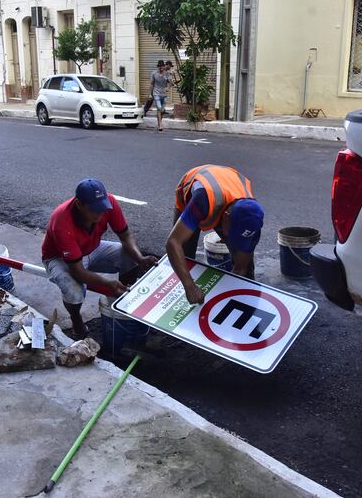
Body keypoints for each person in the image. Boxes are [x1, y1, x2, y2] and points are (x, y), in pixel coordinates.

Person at [42, 178, 157, 338]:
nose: (100, 213)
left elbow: (125, 235)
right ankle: (77, 322)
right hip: (59, 258)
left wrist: (140, 258)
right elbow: (78, 271)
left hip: (91, 248)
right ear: (78, 204)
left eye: (102, 209)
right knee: (74, 290)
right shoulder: (61, 221)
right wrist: (107, 283)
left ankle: (123, 304)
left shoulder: (109, 203)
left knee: (128, 255)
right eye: (94, 210)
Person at [166, 165, 264, 305]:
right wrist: (189, 286)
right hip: (197, 190)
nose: (229, 237)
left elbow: (241, 268)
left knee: (248, 271)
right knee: (186, 260)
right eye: (232, 233)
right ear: (225, 217)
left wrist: (232, 292)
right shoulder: (203, 200)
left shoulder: (252, 218)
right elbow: (173, 243)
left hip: (227, 193)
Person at [150, 59, 172, 131]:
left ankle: (159, 123)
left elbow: (170, 83)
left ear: (164, 66)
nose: (161, 68)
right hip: (156, 93)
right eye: (159, 66)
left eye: (162, 66)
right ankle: (160, 125)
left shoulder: (167, 74)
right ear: (158, 67)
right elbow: (152, 84)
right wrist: (150, 94)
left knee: (162, 110)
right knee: (159, 108)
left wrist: (168, 88)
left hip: (164, 94)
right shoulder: (154, 74)